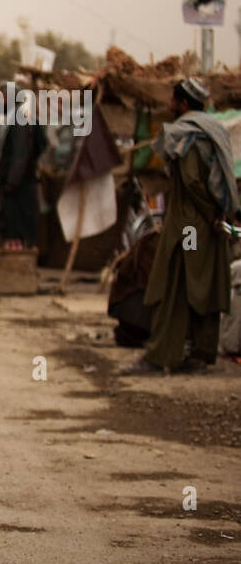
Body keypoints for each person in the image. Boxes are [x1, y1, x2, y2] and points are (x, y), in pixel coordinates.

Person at [123, 78, 239, 374]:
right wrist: (220, 216)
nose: (171, 106)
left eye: (174, 101)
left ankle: (160, 356)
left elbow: (192, 182)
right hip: (208, 227)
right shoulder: (214, 130)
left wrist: (210, 215)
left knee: (175, 283)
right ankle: (201, 353)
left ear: (184, 103)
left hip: (189, 228)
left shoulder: (187, 135)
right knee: (205, 286)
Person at [0, 87, 47, 251]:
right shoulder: (14, 119)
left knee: (15, 232)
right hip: (17, 185)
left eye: (1, 99)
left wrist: (11, 183)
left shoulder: (19, 121)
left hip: (17, 188)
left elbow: (20, 154)